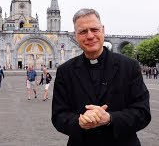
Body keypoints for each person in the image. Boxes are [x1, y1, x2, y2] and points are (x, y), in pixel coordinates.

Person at [51, 8, 151, 145]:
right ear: (75, 36)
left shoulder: (129, 66)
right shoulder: (65, 71)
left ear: (103, 30)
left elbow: (142, 113)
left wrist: (110, 118)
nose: (90, 36)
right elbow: (58, 116)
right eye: (83, 32)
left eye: (94, 29)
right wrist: (79, 121)